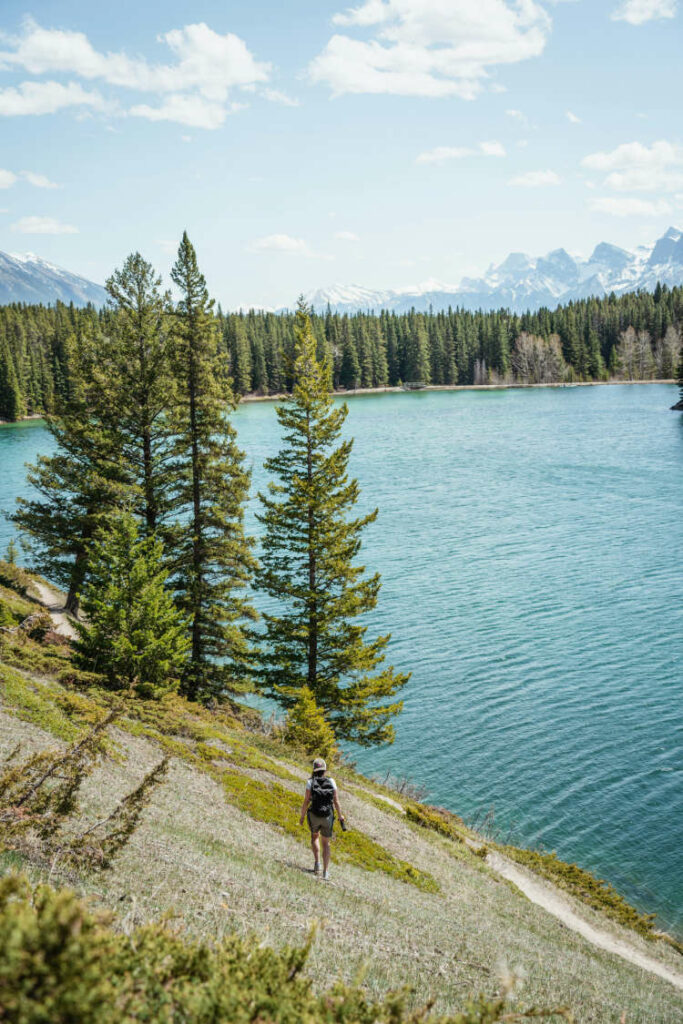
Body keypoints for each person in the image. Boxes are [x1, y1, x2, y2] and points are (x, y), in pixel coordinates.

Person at [299, 756, 345, 880]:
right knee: (326, 843)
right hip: (327, 816)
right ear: (325, 770)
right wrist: (340, 816)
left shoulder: (310, 782)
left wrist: (302, 817)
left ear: (313, 770)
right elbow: (336, 801)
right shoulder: (332, 782)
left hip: (314, 814)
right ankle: (325, 872)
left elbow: (306, 802)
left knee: (314, 837)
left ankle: (317, 863)